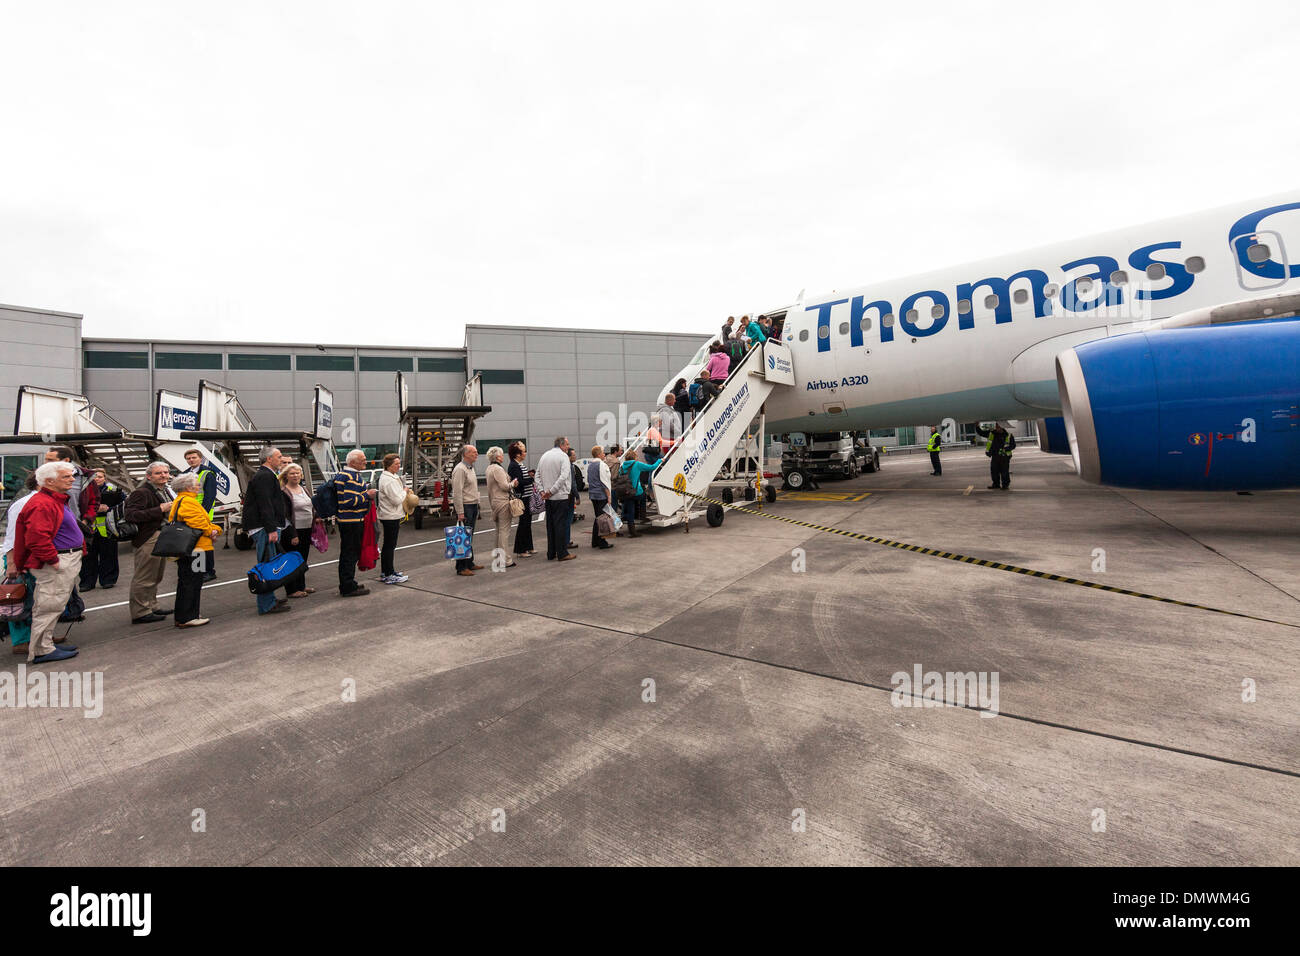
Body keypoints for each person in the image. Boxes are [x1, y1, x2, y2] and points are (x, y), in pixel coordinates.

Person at [12, 461, 83, 663]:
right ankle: (43, 649)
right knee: (49, 605)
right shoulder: (42, 503)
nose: (72, 479)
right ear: (49, 481)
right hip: (57, 561)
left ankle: (45, 644)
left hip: (63, 559)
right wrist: (54, 561)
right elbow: (36, 538)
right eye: (66, 476)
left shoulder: (52, 500)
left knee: (51, 605)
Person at [167, 472, 223, 628]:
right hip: (197, 548)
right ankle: (188, 616)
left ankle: (185, 614)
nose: (199, 486)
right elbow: (199, 523)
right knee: (193, 581)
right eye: (197, 484)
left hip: (190, 548)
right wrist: (214, 531)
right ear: (189, 487)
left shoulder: (181, 500)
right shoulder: (189, 502)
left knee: (187, 580)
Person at [124, 461, 176, 624]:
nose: (163, 475)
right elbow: (131, 515)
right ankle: (140, 612)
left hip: (160, 535)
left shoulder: (165, 490)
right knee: (144, 576)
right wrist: (160, 509)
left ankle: (152, 605)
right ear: (148, 476)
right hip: (147, 538)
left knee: (156, 574)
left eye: (166, 472)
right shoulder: (142, 492)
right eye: (158, 473)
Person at [241, 447, 292, 614]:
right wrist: (271, 529)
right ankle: (266, 604)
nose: (281, 459)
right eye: (278, 457)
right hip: (264, 528)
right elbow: (265, 504)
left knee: (270, 563)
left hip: (265, 526)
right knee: (266, 565)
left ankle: (270, 599)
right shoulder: (264, 476)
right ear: (269, 459)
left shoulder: (267, 475)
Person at [2, 475, 38, 656]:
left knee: (35, 600)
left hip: (35, 558)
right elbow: (11, 536)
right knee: (17, 598)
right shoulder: (23, 504)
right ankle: (21, 641)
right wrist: (11, 563)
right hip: (19, 558)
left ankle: (37, 635)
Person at [336, 449, 378, 594]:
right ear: (353, 462)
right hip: (352, 520)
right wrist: (367, 494)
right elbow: (348, 501)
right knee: (350, 554)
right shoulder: (351, 476)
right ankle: (347, 586)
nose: (365, 462)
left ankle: (348, 583)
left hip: (347, 520)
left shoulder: (343, 475)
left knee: (348, 553)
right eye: (362, 460)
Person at [77, 468, 124, 590]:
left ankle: (108, 580)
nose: (97, 479)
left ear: (105, 478)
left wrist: (108, 508)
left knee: (109, 555)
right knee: (88, 557)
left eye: (100, 476)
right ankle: (87, 582)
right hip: (88, 529)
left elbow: (124, 505)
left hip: (108, 529)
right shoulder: (83, 490)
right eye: (95, 476)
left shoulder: (114, 490)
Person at [279, 463, 317, 598]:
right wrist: (292, 534)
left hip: (306, 529)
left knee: (302, 559)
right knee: (291, 560)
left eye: (297, 473)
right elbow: (285, 516)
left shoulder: (304, 489)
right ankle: (291, 590)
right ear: (286, 476)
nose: (295, 476)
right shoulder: (284, 492)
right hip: (293, 531)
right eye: (292, 473)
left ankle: (301, 586)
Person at [182, 448, 220, 581]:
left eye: (193, 457)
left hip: (203, 514)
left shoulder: (208, 473)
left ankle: (209, 571)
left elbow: (210, 496)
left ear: (200, 458)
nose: (191, 460)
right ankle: (198, 570)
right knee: (194, 544)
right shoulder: (185, 474)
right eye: (188, 458)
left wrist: (202, 513)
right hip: (189, 513)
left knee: (205, 544)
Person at [536, 437, 575, 561]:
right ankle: (562, 553)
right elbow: (563, 477)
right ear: (562, 445)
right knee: (561, 525)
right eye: (567, 444)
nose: (568, 447)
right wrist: (551, 491)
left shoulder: (544, 456)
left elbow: (537, 475)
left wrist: (543, 491)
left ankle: (551, 552)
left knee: (551, 525)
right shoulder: (563, 457)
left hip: (549, 498)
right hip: (560, 496)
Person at [376, 453, 409, 584]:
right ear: (389, 466)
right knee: (389, 546)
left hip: (390, 515)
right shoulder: (388, 480)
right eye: (396, 464)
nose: (399, 466)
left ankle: (388, 571)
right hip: (390, 516)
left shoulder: (391, 477)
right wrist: (405, 491)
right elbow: (396, 500)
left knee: (389, 545)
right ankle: (388, 574)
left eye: (399, 463)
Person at [450, 445, 483, 575]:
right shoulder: (460, 469)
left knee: (469, 536)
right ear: (466, 454)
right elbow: (457, 493)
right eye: (474, 452)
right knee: (463, 537)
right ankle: (461, 567)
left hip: (473, 505)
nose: (476, 454)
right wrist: (460, 512)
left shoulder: (470, 468)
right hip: (466, 506)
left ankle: (469, 562)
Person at [484, 446, 518, 568]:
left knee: (498, 531)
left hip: (494, 501)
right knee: (504, 532)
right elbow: (504, 486)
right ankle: (506, 560)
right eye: (502, 455)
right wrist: (513, 483)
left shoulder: (489, 468)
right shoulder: (498, 469)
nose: (503, 457)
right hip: (502, 502)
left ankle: (498, 559)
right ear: (498, 457)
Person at [617, 450, 656, 538]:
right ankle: (642, 516)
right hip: (635, 492)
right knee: (643, 496)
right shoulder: (637, 464)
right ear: (634, 457)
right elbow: (652, 467)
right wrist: (660, 461)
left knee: (630, 510)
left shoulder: (622, 466)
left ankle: (632, 532)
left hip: (626, 491)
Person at [507, 441, 536, 557]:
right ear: (518, 454)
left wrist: (528, 475)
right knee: (523, 523)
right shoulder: (514, 466)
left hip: (527, 497)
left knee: (527, 523)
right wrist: (531, 479)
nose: (525, 453)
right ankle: (520, 549)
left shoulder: (519, 464)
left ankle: (529, 546)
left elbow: (521, 478)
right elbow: (518, 483)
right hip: (522, 498)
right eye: (523, 451)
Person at [586, 445, 613, 550]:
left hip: (593, 494)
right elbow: (604, 481)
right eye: (602, 452)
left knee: (598, 517)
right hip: (601, 495)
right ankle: (602, 542)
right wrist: (609, 496)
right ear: (598, 454)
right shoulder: (601, 465)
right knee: (602, 519)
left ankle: (595, 541)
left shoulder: (591, 465)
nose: (604, 454)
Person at [976, 423, 1016, 490]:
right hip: (995, 456)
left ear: (1002, 427)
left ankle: (1005, 485)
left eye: (998, 427)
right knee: (994, 471)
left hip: (1004, 457)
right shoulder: (992, 434)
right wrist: (977, 426)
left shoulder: (1008, 435)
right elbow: (981, 433)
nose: (997, 428)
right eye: (996, 427)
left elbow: (1013, 445)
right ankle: (996, 484)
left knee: (1004, 472)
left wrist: (1006, 449)